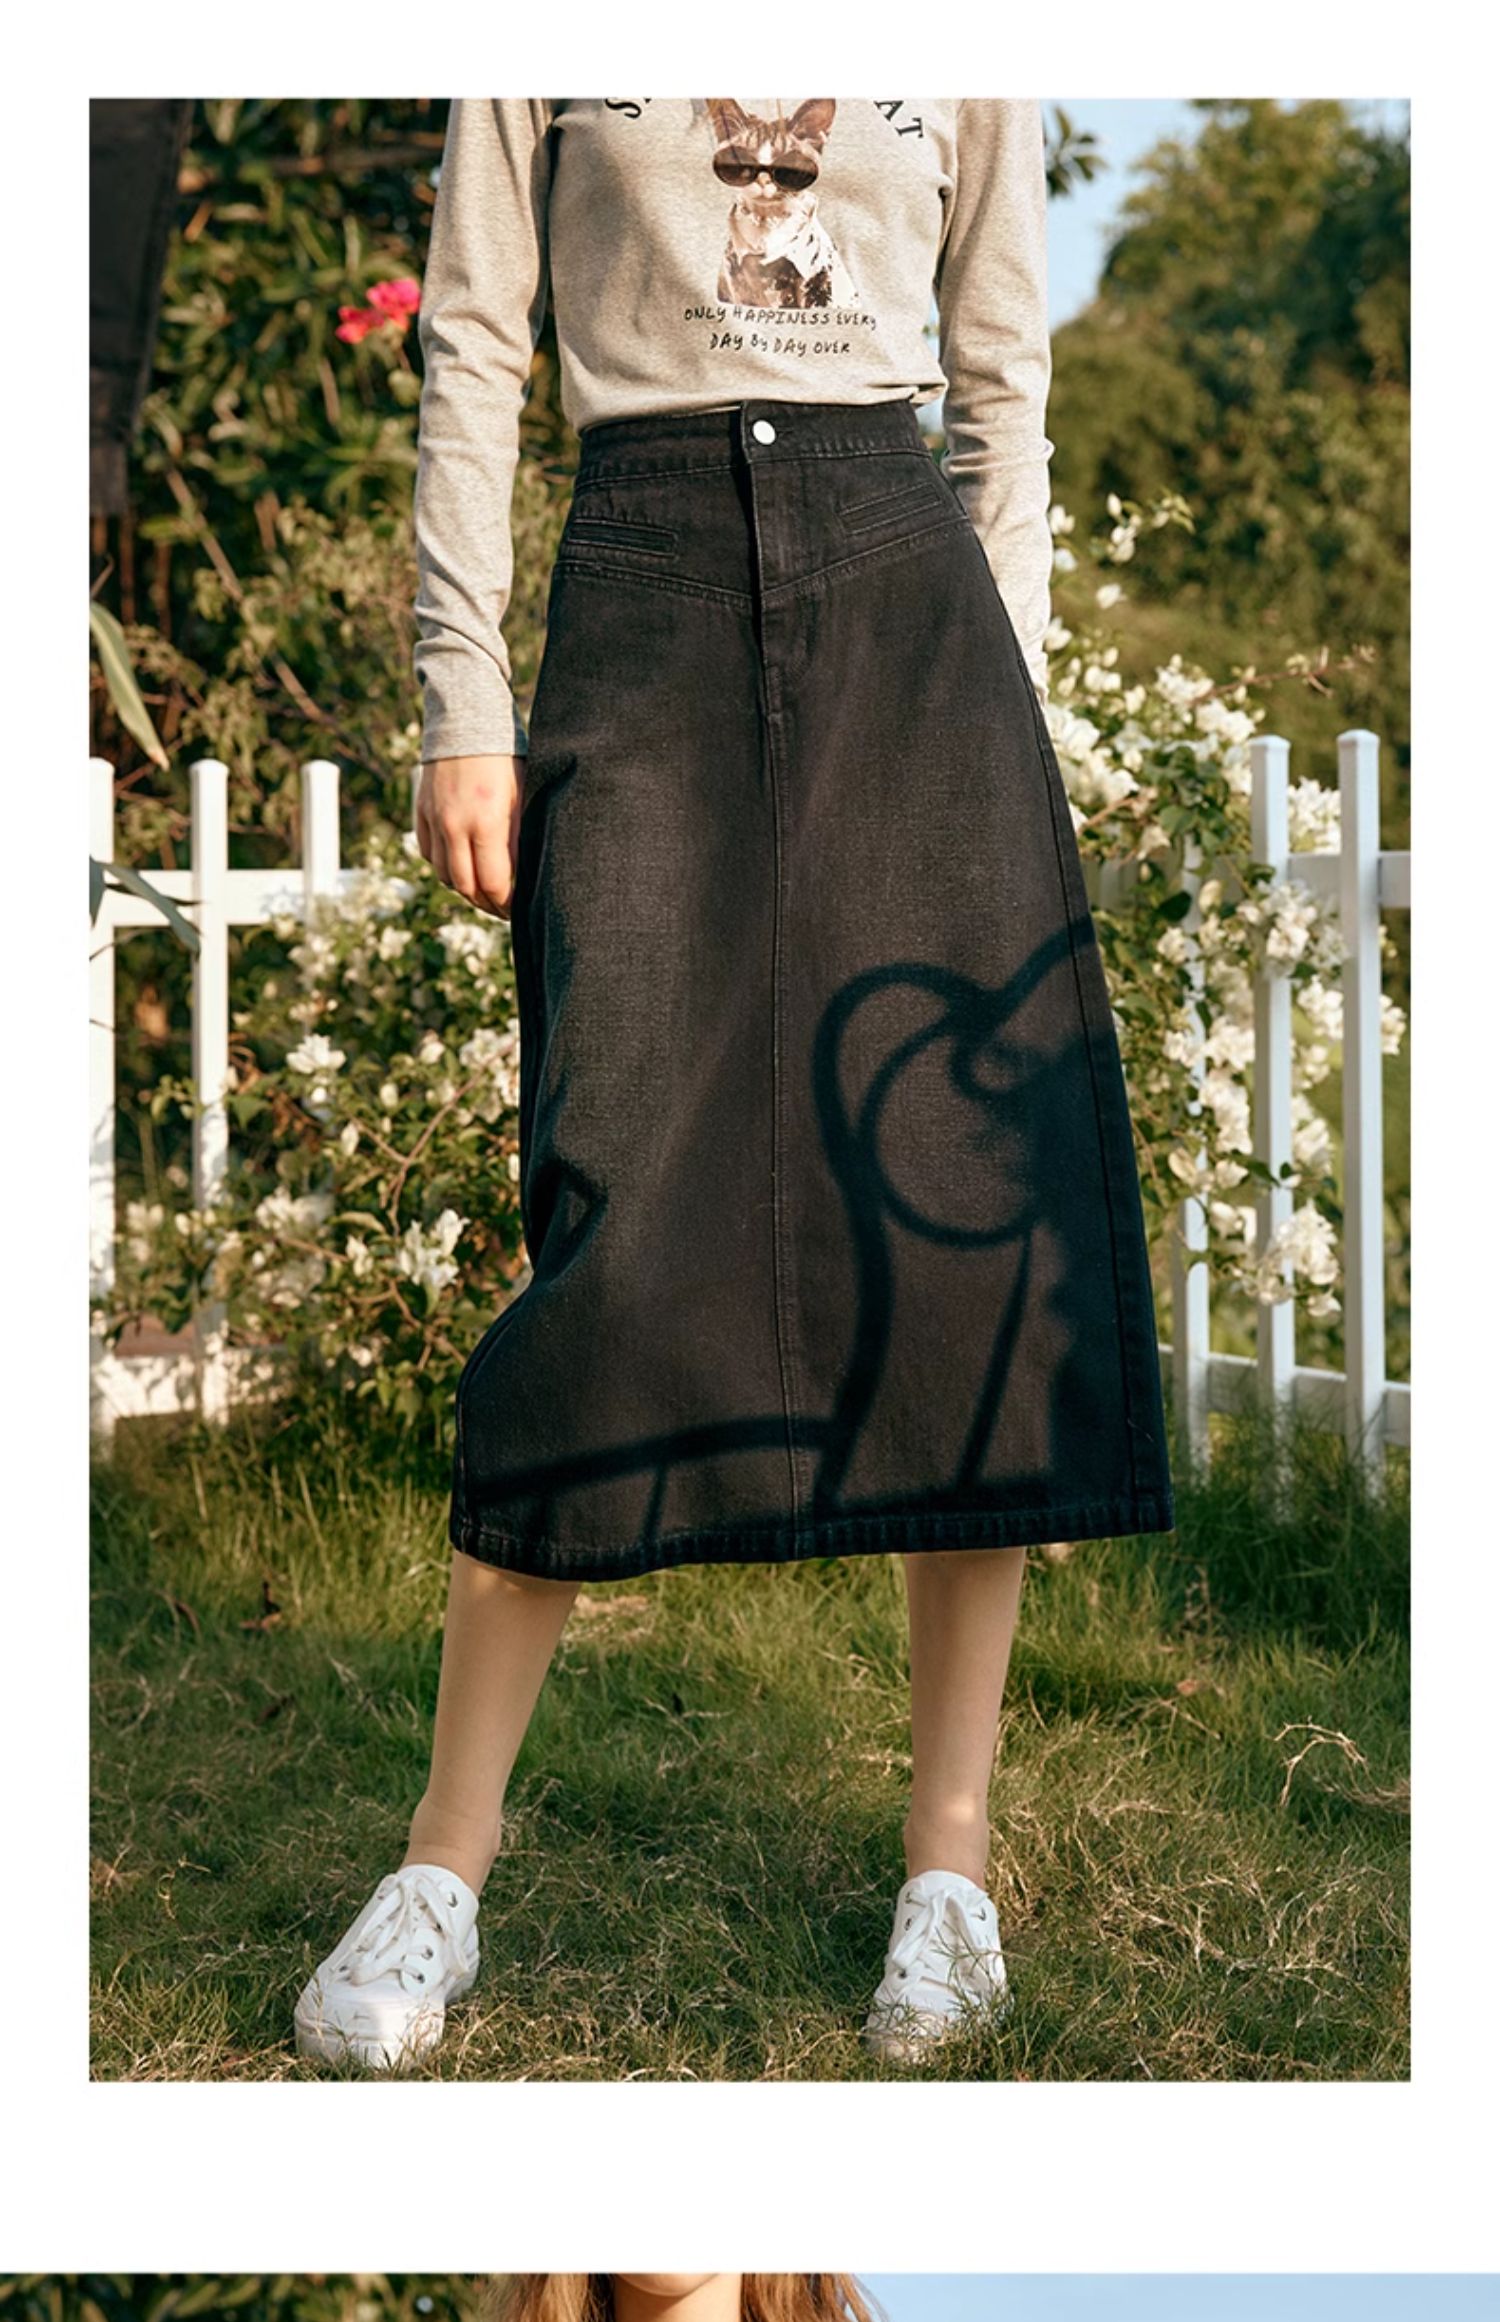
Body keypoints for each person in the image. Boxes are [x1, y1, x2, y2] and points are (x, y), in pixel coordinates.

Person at [294, 96, 1175, 2075]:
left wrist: (1008, 705)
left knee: (961, 1229)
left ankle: (949, 1871)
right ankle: (444, 1862)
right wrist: (459, 699)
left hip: (910, 606)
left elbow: (1001, 377)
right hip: (643, 574)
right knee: (608, 1199)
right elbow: (473, 345)